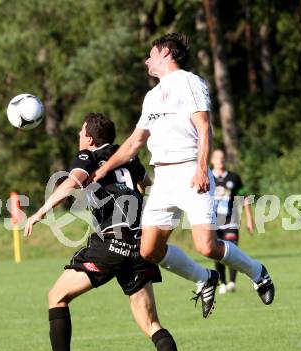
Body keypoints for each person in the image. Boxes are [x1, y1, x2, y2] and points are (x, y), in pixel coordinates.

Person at [24, 113, 197, 351]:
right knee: (150, 323)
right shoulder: (127, 157)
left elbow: (72, 182)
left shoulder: (88, 155)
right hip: (138, 245)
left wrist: (41, 212)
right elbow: (146, 184)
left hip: (110, 243)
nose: (79, 136)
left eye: (80, 132)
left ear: (90, 138)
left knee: (56, 297)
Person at [94, 33, 275, 307]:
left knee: (207, 246)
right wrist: (103, 168)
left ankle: (256, 271)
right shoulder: (152, 96)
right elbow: (134, 143)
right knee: (149, 250)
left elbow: (204, 127)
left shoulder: (189, 82)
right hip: (163, 179)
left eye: (151, 54)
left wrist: (202, 168)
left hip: (191, 173)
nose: (146, 60)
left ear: (165, 53)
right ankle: (204, 278)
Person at [211, 148, 254, 294]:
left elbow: (245, 198)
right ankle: (222, 282)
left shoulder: (234, 178)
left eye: (222, 158)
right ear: (212, 160)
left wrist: (250, 219)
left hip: (230, 220)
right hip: (213, 221)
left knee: (232, 249)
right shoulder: (207, 176)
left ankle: (232, 282)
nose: (220, 161)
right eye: (217, 158)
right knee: (217, 251)